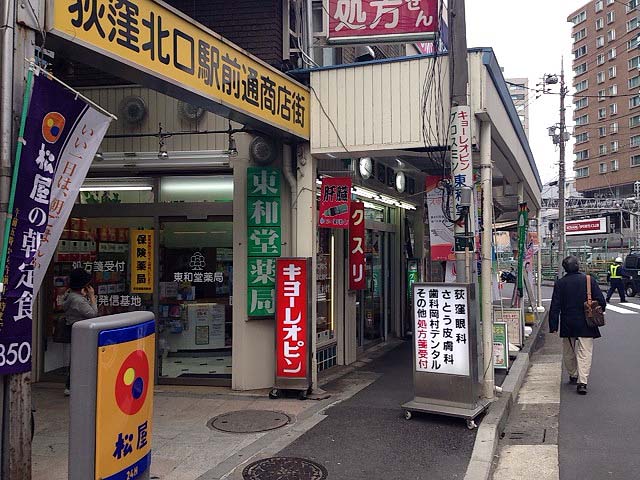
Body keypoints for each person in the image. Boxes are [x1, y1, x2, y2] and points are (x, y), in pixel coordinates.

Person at [549, 256, 605, 395]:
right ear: (578, 266)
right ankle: (582, 382)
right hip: (587, 322)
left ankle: (573, 374)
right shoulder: (588, 280)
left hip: (568, 322)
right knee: (585, 352)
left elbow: (555, 306)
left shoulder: (560, 283)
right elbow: (601, 301)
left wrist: (553, 325)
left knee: (568, 351)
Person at [62, 268, 98, 396]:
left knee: (76, 358)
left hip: (73, 329)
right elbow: (93, 314)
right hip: (81, 331)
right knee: (81, 358)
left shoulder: (69, 295)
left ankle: (70, 385)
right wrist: (92, 297)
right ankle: (72, 385)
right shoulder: (78, 300)